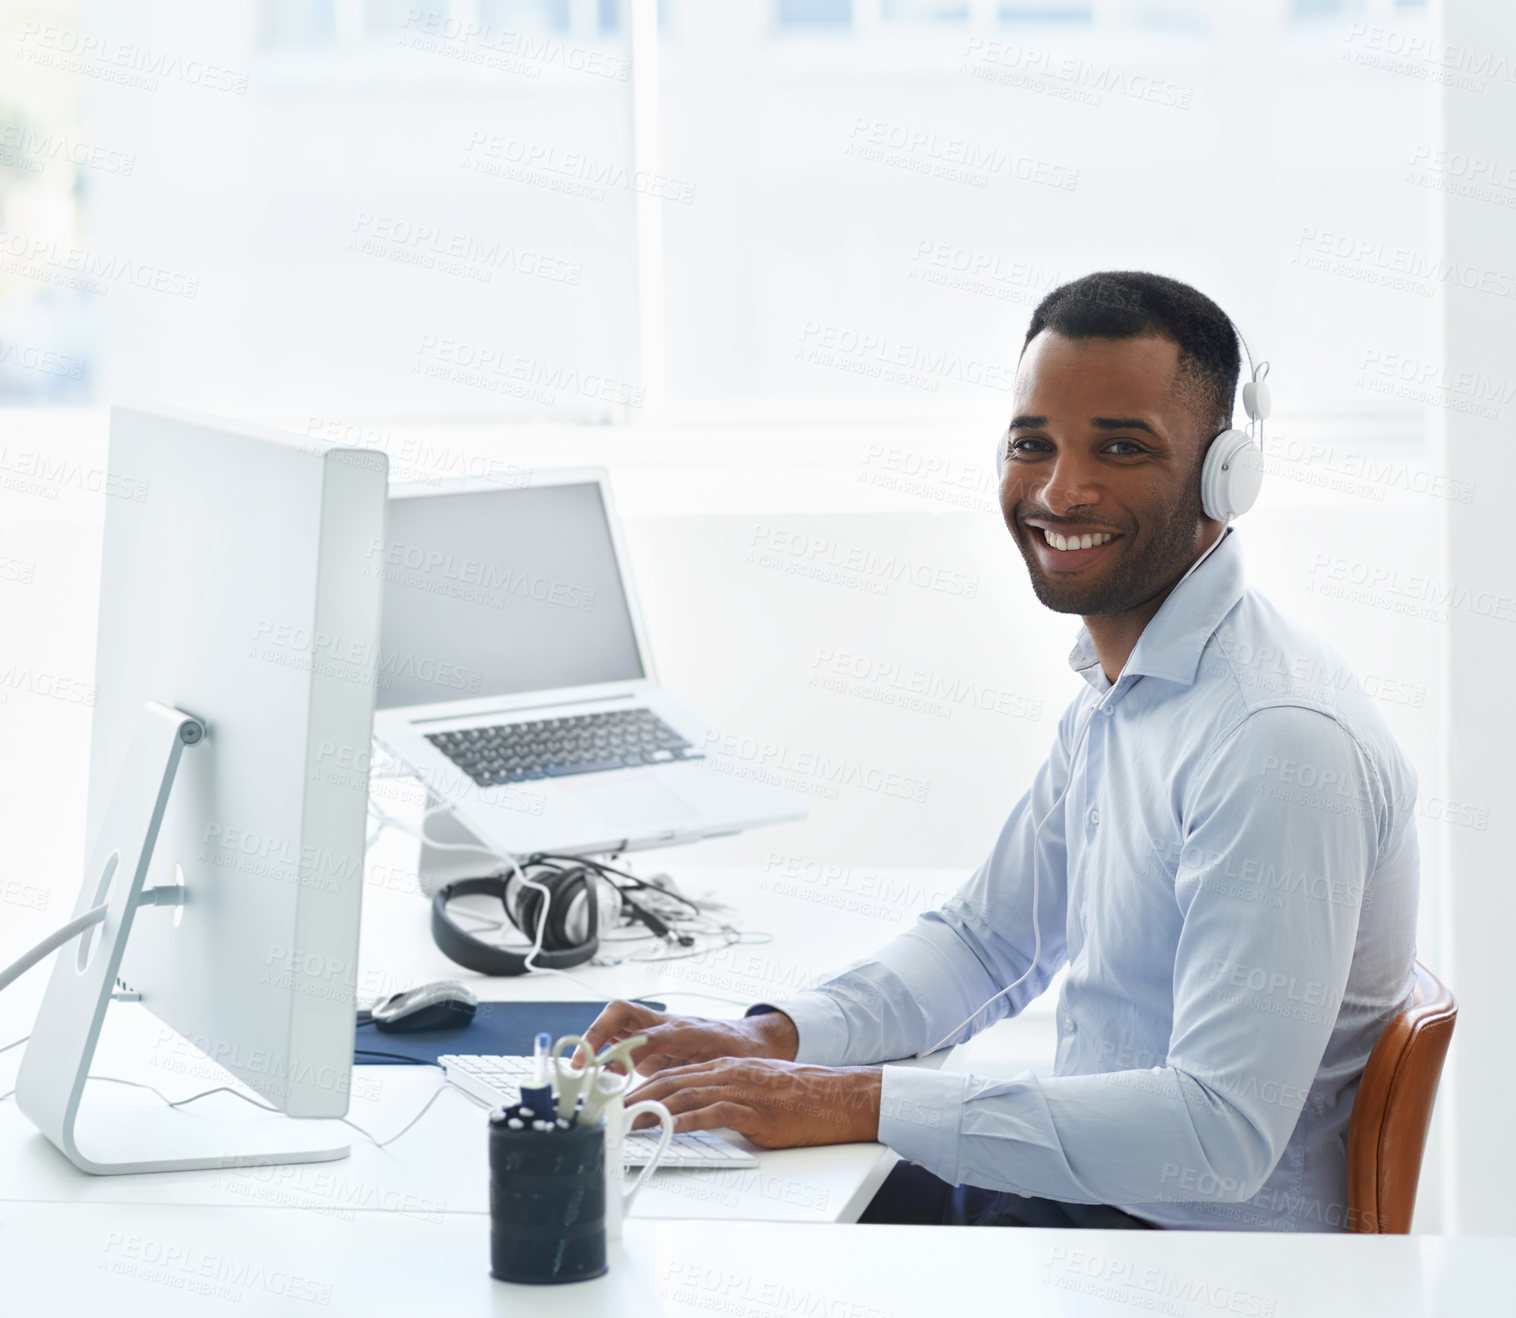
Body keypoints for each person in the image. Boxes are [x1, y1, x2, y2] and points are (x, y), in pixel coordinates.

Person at [583, 270, 1419, 1231]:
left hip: (1177, 1259)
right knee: (699, 1187)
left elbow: (1217, 1133)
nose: (1063, 489)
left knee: (716, 1229)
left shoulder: (1273, 743)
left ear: (1226, 474)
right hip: (1099, 1209)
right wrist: (772, 1038)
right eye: (1034, 443)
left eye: (1122, 446)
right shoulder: (1128, 690)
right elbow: (991, 943)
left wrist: (851, 1100)